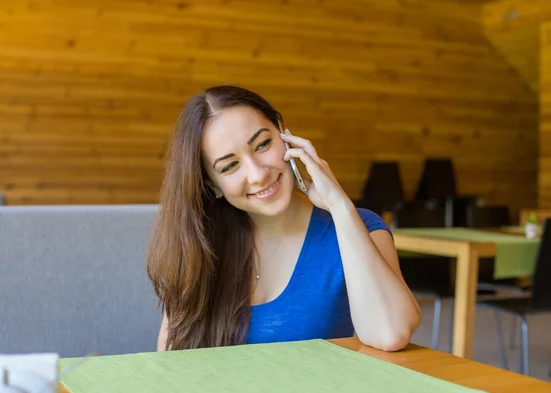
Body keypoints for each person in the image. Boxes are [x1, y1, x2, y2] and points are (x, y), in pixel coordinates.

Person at [147, 85, 421, 352]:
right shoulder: (199, 246)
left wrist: (339, 205)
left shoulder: (358, 228)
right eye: (230, 166)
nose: (258, 174)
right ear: (212, 184)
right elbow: (172, 359)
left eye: (263, 144)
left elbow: (390, 333)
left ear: (283, 134)